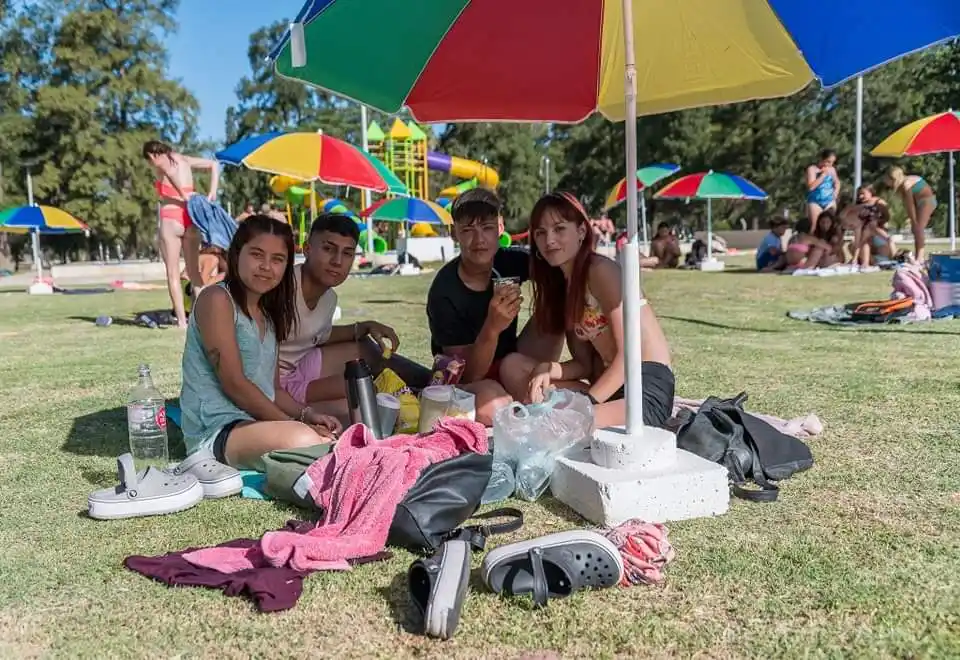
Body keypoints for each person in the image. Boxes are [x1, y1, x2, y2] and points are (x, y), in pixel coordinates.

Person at [499, 192, 675, 430]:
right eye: (540, 232)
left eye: (559, 229)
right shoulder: (564, 287)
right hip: (606, 386)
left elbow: (628, 356)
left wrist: (587, 404)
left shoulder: (599, 269)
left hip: (644, 386)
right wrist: (547, 368)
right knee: (512, 367)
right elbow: (583, 364)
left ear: (581, 231)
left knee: (557, 429)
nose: (549, 240)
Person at [179, 215, 341, 470]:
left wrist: (307, 413)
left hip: (256, 422)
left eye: (277, 259)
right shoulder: (217, 299)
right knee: (305, 439)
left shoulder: (269, 314)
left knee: (334, 427)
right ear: (237, 254)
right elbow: (234, 383)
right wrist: (295, 425)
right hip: (217, 431)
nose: (266, 266)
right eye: (257, 254)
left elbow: (274, 390)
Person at [426, 188, 563, 425]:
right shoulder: (444, 291)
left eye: (487, 228)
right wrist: (492, 326)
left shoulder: (509, 261)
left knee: (555, 309)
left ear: (500, 227)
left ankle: (536, 388)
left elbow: (560, 267)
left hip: (510, 361)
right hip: (466, 377)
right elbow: (468, 373)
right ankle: (526, 400)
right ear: (453, 233)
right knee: (496, 406)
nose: (479, 240)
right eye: (468, 230)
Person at [278, 213, 414, 424]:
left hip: (300, 365)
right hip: (275, 385)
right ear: (307, 249)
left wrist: (364, 327)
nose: (337, 261)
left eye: (347, 253)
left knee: (364, 350)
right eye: (328, 249)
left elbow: (317, 335)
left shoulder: (328, 298)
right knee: (361, 404)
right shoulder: (282, 290)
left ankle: (429, 383)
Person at [142, 140, 220, 329]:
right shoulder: (183, 159)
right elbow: (214, 164)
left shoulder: (161, 162)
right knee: (194, 272)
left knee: (173, 272)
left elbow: (169, 173)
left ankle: (182, 322)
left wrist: (182, 195)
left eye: (149, 160)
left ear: (152, 155)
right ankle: (203, 317)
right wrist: (212, 193)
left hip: (172, 216)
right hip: (190, 218)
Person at [885, 165, 936, 262]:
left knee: (918, 229)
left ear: (893, 178)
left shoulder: (906, 184)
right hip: (919, 203)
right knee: (916, 230)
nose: (887, 184)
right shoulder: (902, 186)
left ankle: (919, 258)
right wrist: (912, 220)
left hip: (926, 202)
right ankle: (919, 256)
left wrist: (914, 221)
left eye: (888, 180)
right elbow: (908, 205)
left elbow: (910, 205)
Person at [805, 149, 839, 235]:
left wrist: (836, 192)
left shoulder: (832, 170)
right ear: (822, 159)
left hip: (829, 200)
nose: (830, 164)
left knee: (830, 225)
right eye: (828, 161)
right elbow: (811, 187)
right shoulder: (812, 169)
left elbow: (837, 182)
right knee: (815, 226)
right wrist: (823, 175)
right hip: (815, 200)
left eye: (832, 162)